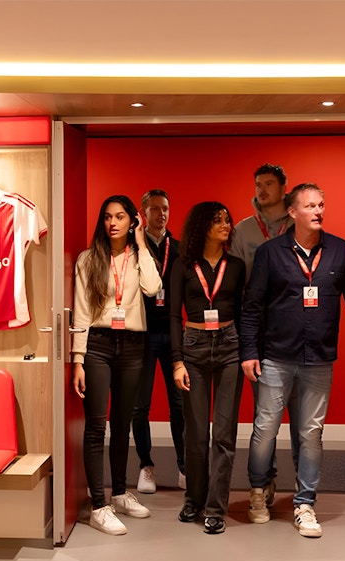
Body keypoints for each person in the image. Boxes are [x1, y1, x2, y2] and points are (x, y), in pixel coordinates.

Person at [239, 182, 345, 538]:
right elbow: (252, 306)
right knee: (265, 430)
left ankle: (304, 502)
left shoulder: (341, 252)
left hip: (318, 360)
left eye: (322, 205)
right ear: (293, 212)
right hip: (275, 357)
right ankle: (259, 490)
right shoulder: (271, 253)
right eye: (311, 206)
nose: (318, 211)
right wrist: (249, 352)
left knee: (311, 433)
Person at [72, 194, 163, 536]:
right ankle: (98, 505)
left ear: (132, 221)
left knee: (123, 422)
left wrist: (141, 243)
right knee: (97, 426)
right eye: (108, 217)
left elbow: (154, 288)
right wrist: (78, 359)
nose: (113, 223)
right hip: (97, 343)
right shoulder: (88, 259)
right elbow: (81, 311)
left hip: (133, 345)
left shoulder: (139, 256)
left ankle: (121, 492)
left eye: (121, 217)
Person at [169, 202, 247, 535]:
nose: (226, 225)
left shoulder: (237, 266)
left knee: (225, 436)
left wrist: (247, 352)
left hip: (230, 346)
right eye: (218, 221)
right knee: (196, 434)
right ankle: (194, 500)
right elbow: (173, 315)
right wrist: (177, 361)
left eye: (227, 220)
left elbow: (245, 312)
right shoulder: (182, 266)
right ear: (202, 226)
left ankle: (216, 508)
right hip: (194, 347)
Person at [229, 163, 297, 508]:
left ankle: (302, 491)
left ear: (284, 188)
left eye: (269, 184)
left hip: (296, 331)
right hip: (258, 333)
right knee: (265, 414)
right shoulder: (243, 231)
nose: (262, 190)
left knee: (301, 417)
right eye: (258, 184)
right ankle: (265, 481)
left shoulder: (298, 226)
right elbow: (237, 285)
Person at [131, 189, 186, 493]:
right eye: (153, 209)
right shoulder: (133, 248)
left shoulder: (178, 249)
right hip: (142, 333)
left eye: (164, 208)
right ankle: (145, 465)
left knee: (179, 404)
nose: (160, 214)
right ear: (143, 213)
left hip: (173, 333)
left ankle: (183, 466)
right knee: (140, 407)